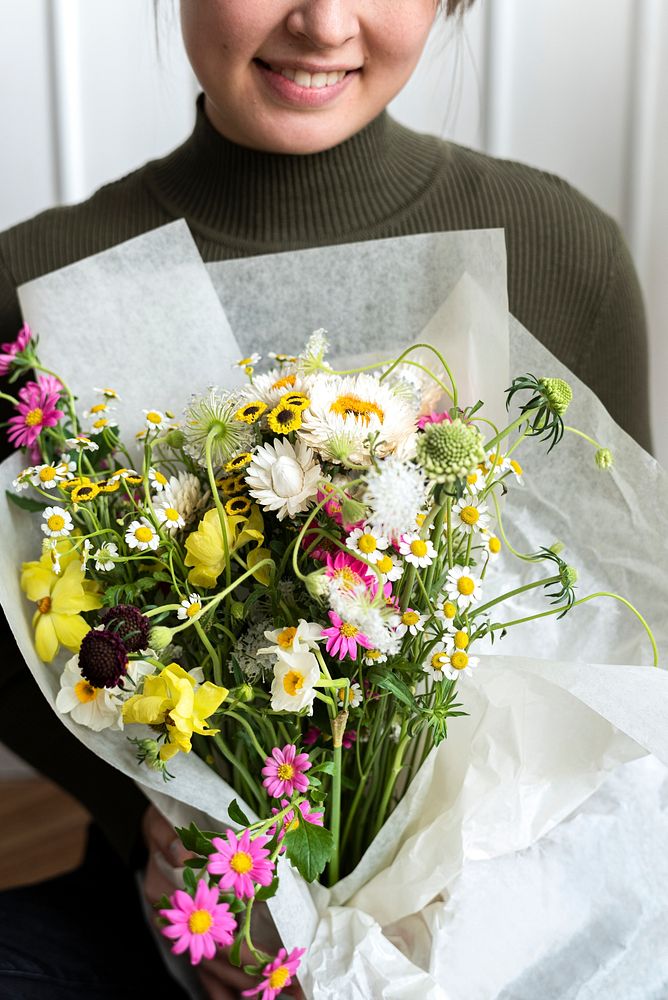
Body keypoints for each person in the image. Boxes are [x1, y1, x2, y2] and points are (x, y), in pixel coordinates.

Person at [0, 0, 652, 996]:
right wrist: (161, 839)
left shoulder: (557, 250)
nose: (323, 20)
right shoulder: (39, 284)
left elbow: (628, 654)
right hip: (171, 914)